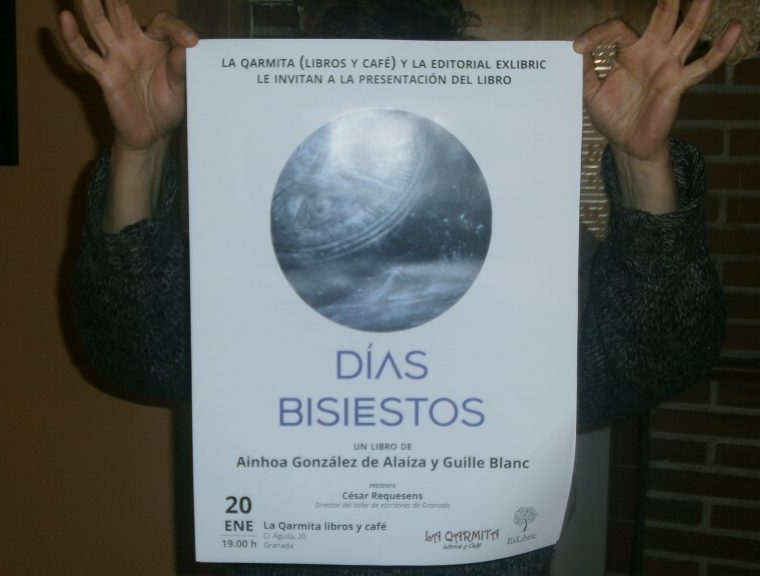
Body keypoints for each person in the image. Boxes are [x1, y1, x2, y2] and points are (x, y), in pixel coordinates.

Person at [60, 0, 741, 574]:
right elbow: (139, 353)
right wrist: (140, 153)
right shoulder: (254, 230)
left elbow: (651, 360)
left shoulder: (512, 236)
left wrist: (643, 163)